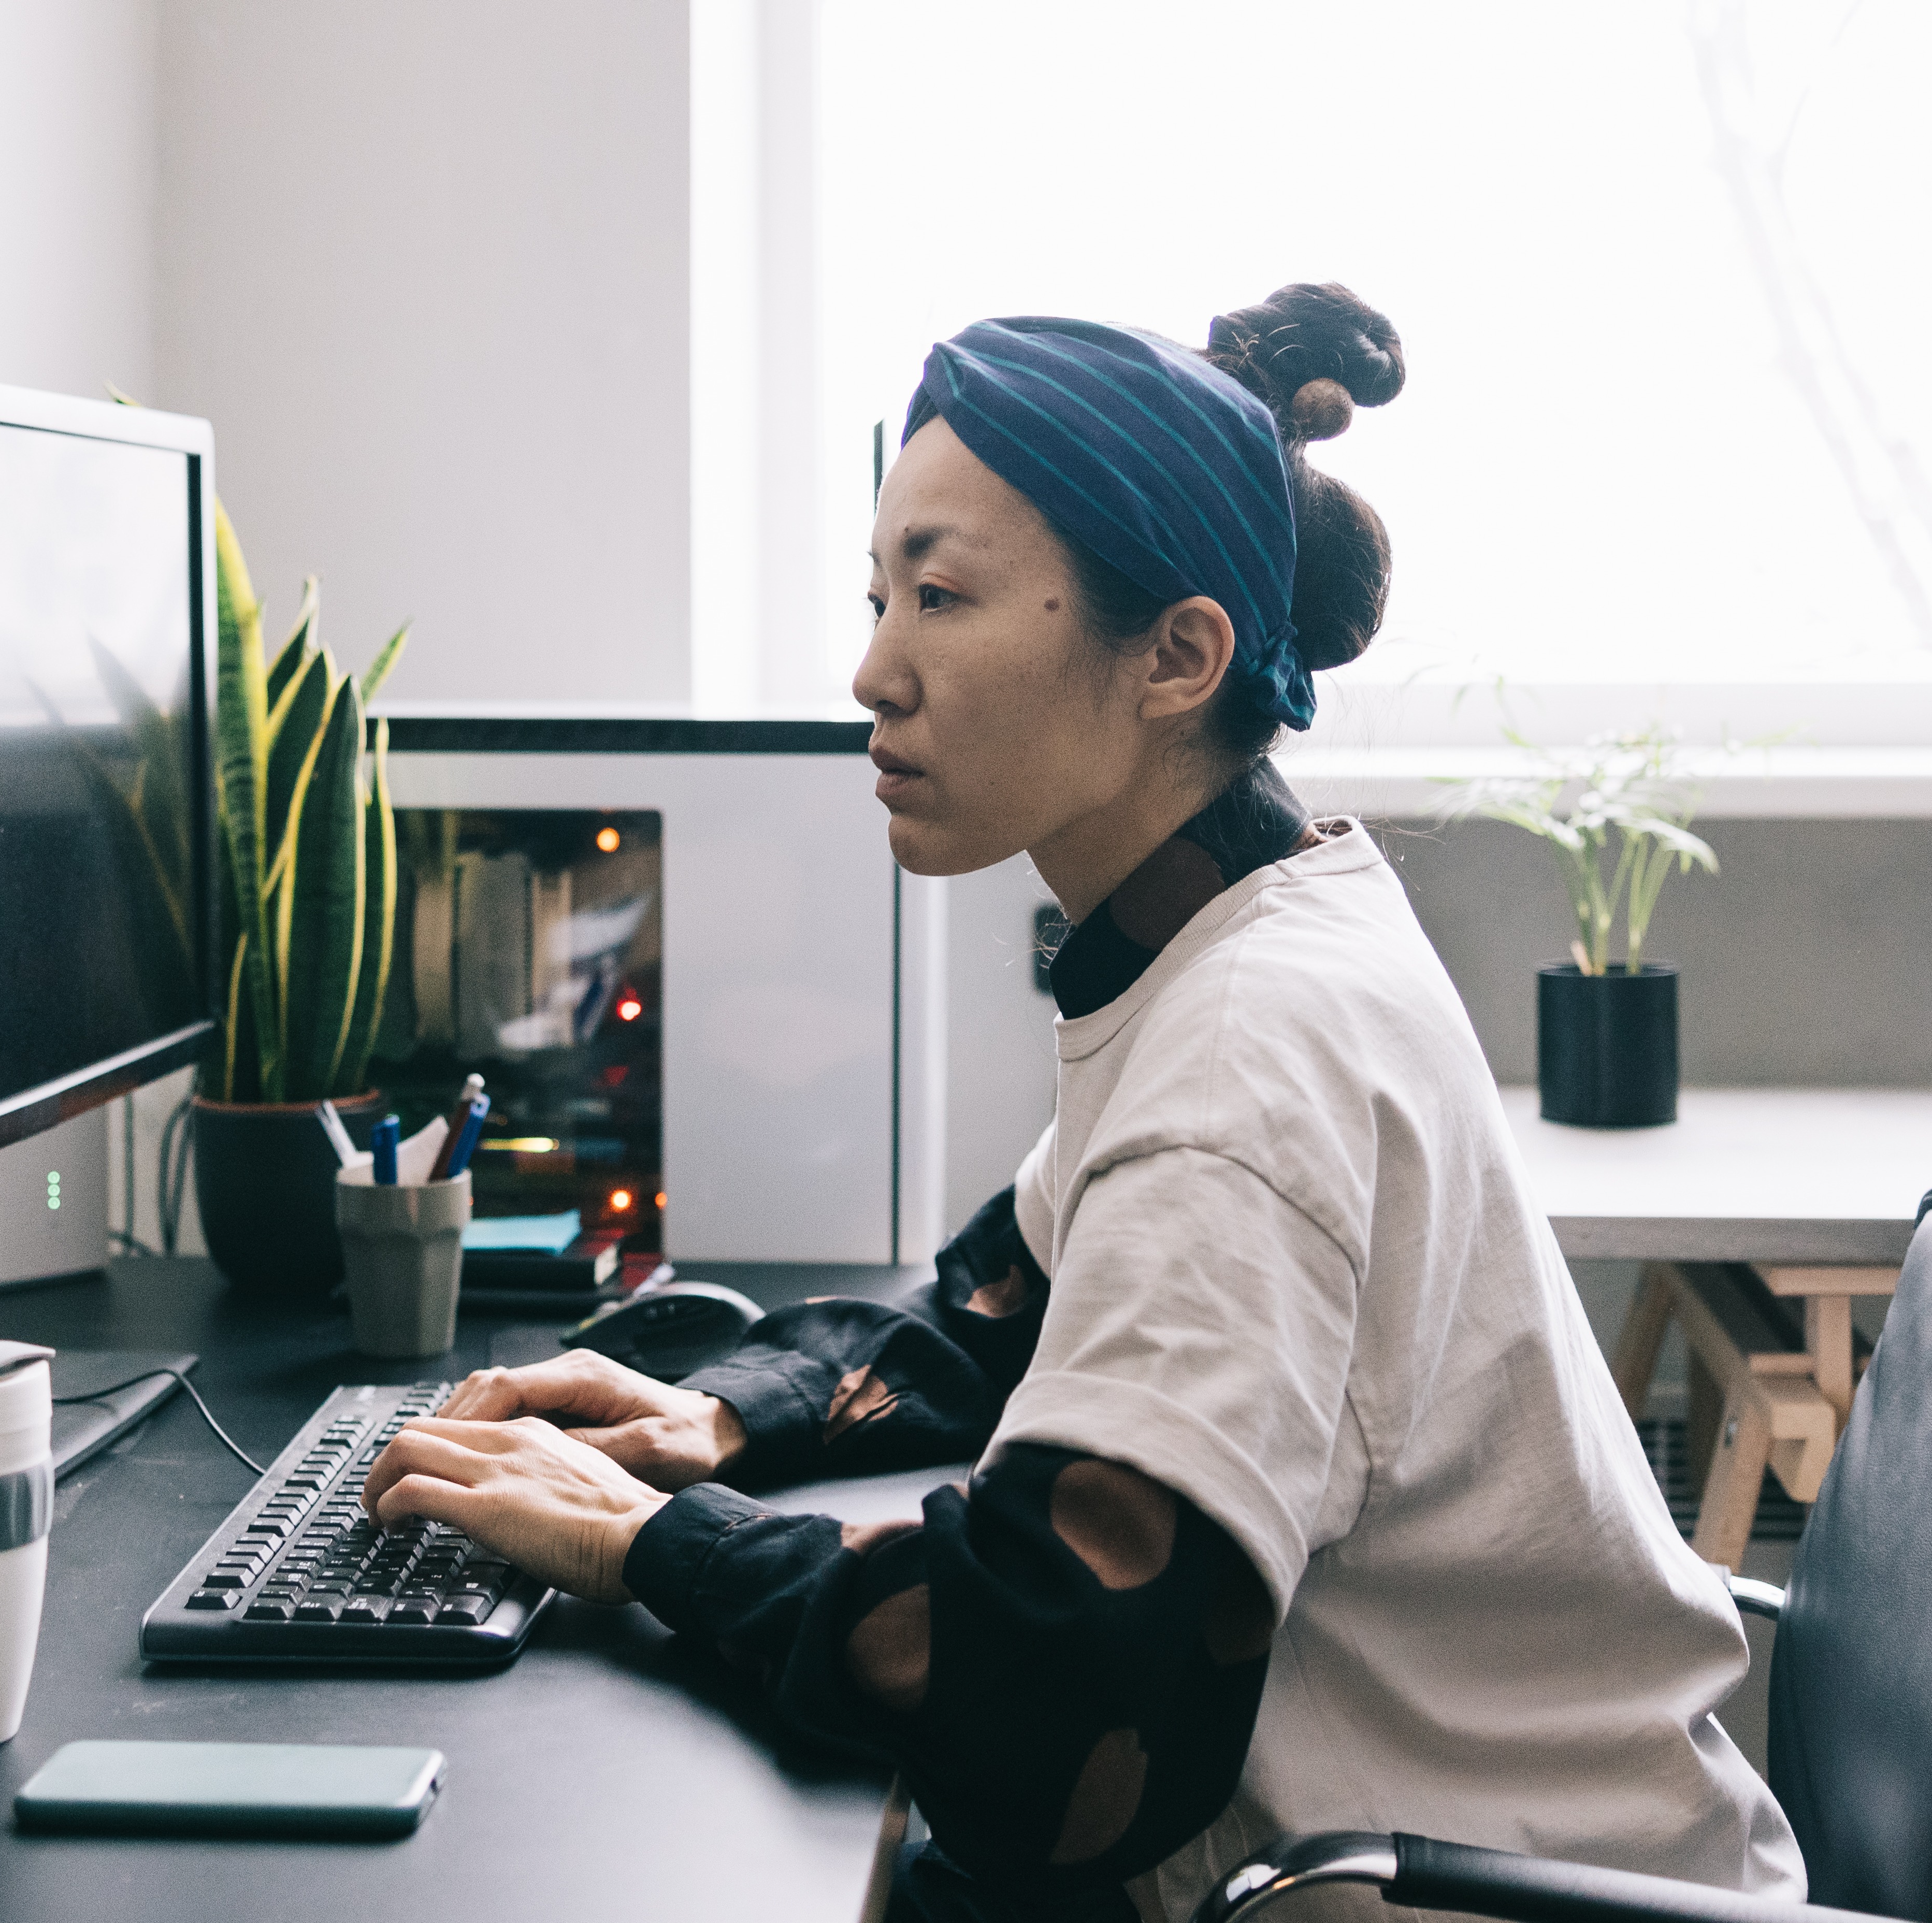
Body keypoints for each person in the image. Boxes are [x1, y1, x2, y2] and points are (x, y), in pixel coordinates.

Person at [361, 287, 1801, 1922]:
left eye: (943, 597)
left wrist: (650, 1540)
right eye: (878, 593)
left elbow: (1054, 1721)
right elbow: (1006, 1304)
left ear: (1177, 655)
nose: (871, 670)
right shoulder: (1239, 922)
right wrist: (716, 1416)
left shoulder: (1250, 1061)